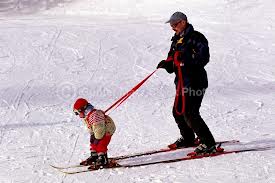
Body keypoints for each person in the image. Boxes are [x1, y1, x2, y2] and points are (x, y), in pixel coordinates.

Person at [157, 12, 216, 155]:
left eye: (175, 24)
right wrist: (168, 65)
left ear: (184, 22)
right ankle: (188, 138)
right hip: (182, 83)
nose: (172, 28)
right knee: (177, 112)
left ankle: (208, 143)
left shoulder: (197, 37)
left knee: (190, 113)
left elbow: (203, 58)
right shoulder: (176, 40)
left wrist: (184, 58)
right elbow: (174, 61)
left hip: (196, 81)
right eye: (171, 25)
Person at [73, 98, 116, 167]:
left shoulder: (95, 116)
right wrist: (92, 135)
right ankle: (94, 156)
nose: (78, 115)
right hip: (99, 131)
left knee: (101, 144)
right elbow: (90, 126)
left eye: (77, 113)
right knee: (93, 143)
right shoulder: (87, 116)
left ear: (83, 110)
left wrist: (97, 138)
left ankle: (103, 159)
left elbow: (99, 129)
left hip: (107, 130)